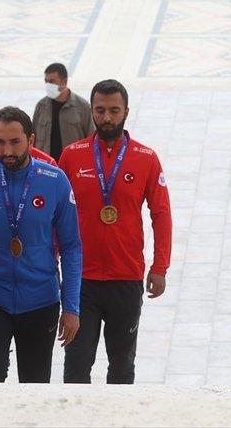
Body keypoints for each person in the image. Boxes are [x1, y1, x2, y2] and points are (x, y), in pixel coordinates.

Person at [0, 106, 82, 383]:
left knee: (35, 384)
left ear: (31, 141)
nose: (6, 151)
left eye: (14, 142)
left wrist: (71, 307)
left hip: (40, 299)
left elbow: (71, 247)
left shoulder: (55, 181)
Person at [59, 79, 172, 384]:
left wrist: (160, 266)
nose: (106, 117)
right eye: (100, 110)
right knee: (77, 365)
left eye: (113, 110)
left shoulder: (146, 158)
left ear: (126, 112)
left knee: (122, 366)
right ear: (91, 112)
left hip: (126, 278)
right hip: (81, 279)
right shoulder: (72, 155)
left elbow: (161, 214)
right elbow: (56, 214)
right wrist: (49, 259)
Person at [32, 62, 95, 161]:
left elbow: (92, 139)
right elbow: (33, 137)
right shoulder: (41, 106)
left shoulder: (82, 107)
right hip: (46, 166)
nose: (48, 85)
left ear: (64, 82)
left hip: (73, 164)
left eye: (52, 81)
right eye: (46, 81)